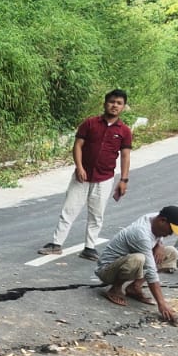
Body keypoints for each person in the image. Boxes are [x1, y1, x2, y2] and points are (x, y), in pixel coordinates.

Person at [39, 89, 134, 261]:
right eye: (112, 102)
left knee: (97, 214)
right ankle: (56, 244)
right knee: (69, 209)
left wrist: (124, 180)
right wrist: (79, 167)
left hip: (105, 178)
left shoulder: (124, 131)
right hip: (81, 176)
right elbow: (77, 146)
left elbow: (126, 155)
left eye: (119, 103)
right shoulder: (90, 124)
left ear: (123, 107)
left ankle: (89, 248)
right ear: (105, 103)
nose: (114, 105)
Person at [95, 205, 178, 325]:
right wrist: (162, 304)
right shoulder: (140, 233)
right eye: (171, 229)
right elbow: (151, 270)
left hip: (129, 262)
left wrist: (160, 244)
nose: (171, 233)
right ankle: (115, 288)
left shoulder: (153, 218)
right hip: (107, 270)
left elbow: (158, 237)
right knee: (139, 259)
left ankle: (134, 288)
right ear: (162, 220)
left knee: (171, 252)